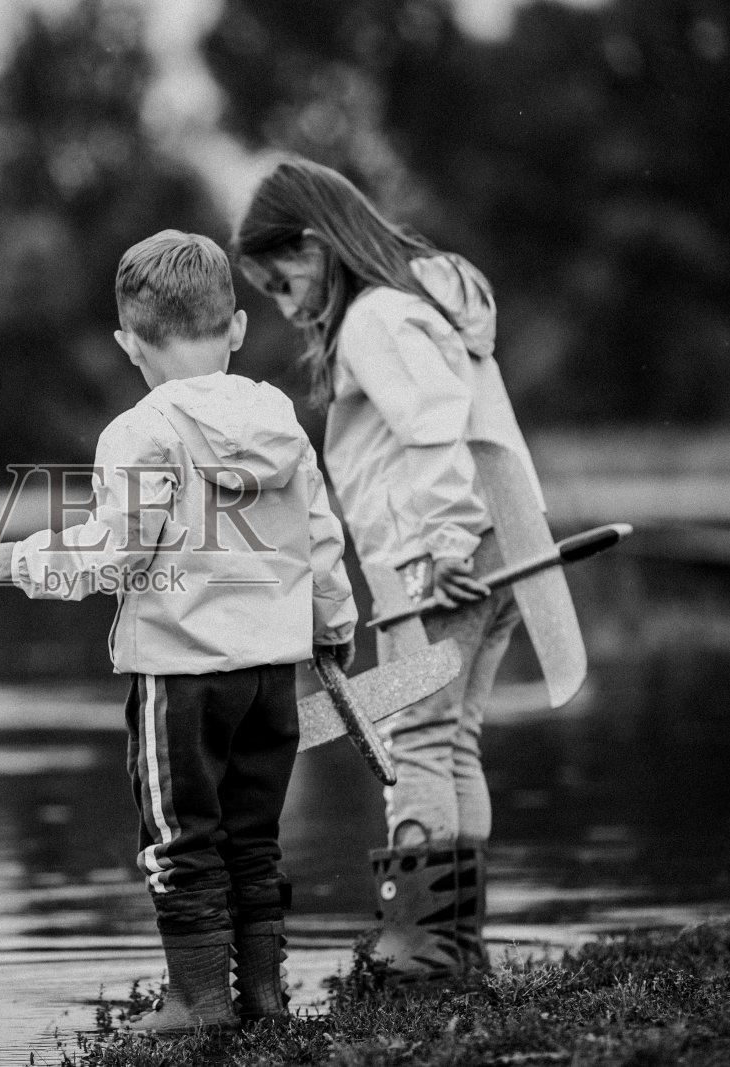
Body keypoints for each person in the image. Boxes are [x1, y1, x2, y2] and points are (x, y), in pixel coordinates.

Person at [0, 230, 357, 1032]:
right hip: (270, 678)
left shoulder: (139, 431)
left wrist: (32, 559)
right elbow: (320, 534)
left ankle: (197, 1001)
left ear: (129, 344)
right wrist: (334, 624)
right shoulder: (280, 419)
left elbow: (118, 547)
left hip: (180, 678)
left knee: (179, 837)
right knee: (253, 836)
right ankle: (261, 998)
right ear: (239, 329)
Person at [233, 157, 543, 983]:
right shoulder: (423, 307)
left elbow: (435, 425)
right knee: (453, 738)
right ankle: (456, 944)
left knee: (416, 741)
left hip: (440, 559)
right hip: (499, 544)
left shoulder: (375, 319)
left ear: (314, 242)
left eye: (282, 280)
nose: (288, 303)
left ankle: (416, 948)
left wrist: (442, 547)